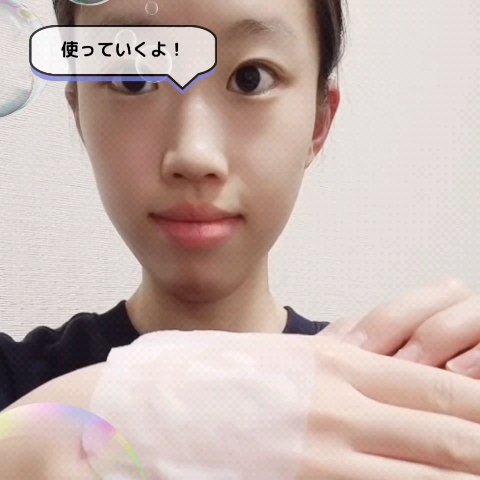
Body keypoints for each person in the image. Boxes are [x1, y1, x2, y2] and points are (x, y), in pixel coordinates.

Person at [1, 0, 480, 476]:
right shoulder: (10, 383)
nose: (194, 155)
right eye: (134, 78)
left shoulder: (408, 404)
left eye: (251, 78)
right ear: (78, 109)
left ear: (318, 122)